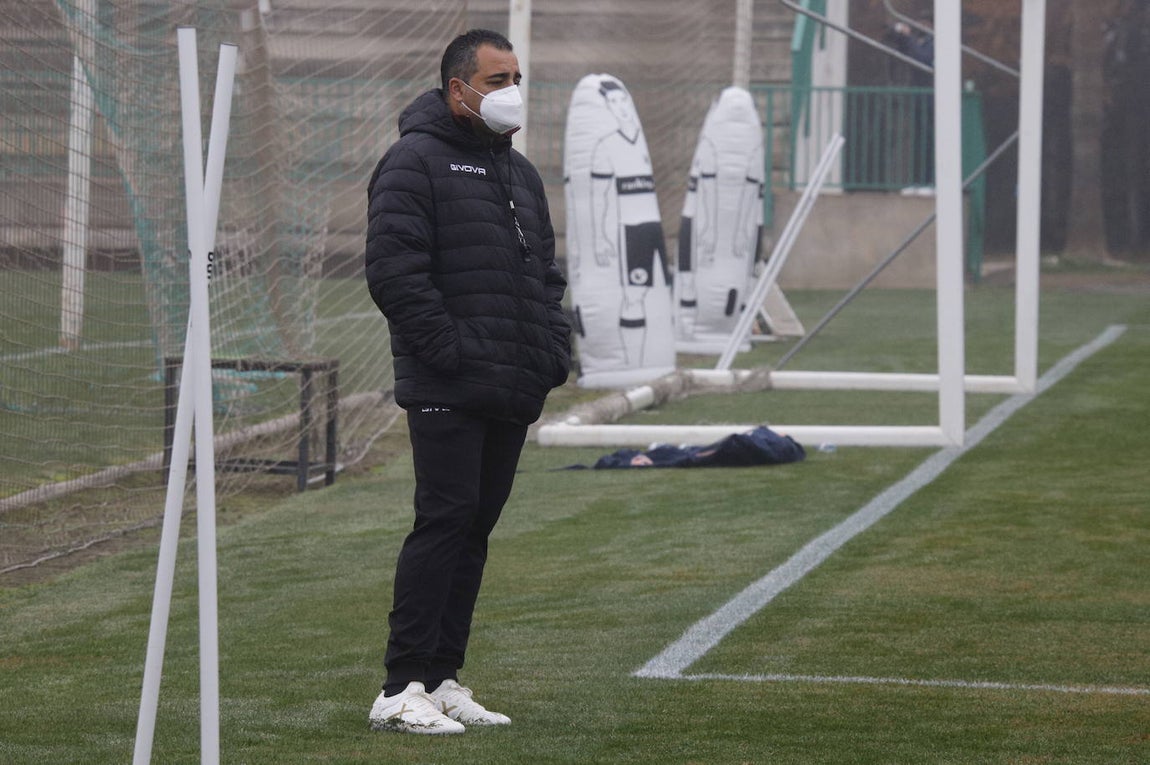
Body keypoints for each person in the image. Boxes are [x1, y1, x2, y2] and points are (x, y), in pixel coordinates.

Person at [364, 28, 571, 735]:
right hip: (448, 381)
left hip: (512, 384)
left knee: (475, 529)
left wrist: (551, 352)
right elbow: (395, 273)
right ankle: (399, 686)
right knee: (444, 519)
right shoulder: (413, 162)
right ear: (458, 90)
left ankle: (443, 675)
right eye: (497, 78)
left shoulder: (520, 173)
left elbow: (545, 274)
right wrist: (451, 354)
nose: (512, 91)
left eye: (517, 76)